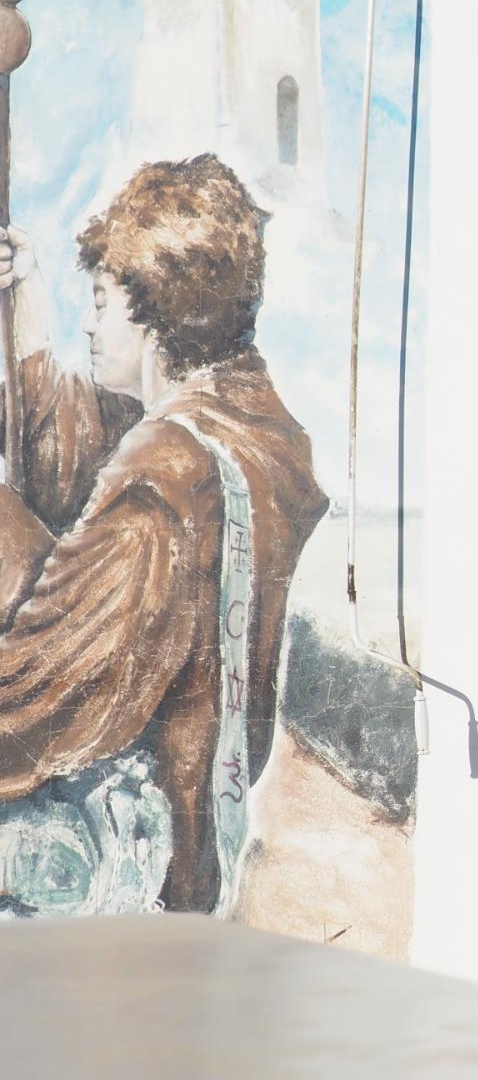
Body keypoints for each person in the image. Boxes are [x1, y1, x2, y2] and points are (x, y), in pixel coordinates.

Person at [0, 154, 329, 915]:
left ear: (152, 311)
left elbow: (47, 690)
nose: (90, 324)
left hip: (153, 862)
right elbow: (75, 456)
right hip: (206, 828)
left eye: (102, 301)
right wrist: (28, 306)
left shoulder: (168, 478)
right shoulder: (252, 426)